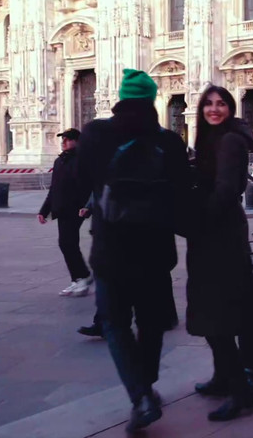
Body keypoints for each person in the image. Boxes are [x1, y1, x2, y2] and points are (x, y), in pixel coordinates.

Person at [76, 69, 189, 432]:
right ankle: (147, 387)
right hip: (155, 252)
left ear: (121, 98)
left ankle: (140, 396)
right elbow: (181, 194)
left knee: (114, 323)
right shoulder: (169, 142)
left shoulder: (95, 133)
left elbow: (82, 179)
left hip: (110, 251)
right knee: (152, 323)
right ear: (153, 99)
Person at [186, 85, 253, 422]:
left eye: (221, 104)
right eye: (208, 104)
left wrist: (197, 221)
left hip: (220, 235)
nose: (214, 110)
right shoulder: (213, 139)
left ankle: (241, 392)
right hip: (216, 232)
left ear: (230, 108)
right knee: (211, 310)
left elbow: (227, 189)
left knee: (219, 316)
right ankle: (221, 378)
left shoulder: (229, 141)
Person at [39, 128, 93, 297]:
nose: (64, 142)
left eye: (68, 139)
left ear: (77, 141)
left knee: (67, 242)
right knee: (66, 243)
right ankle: (77, 278)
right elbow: (54, 188)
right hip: (61, 208)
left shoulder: (83, 160)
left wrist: (87, 206)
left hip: (76, 208)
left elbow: (91, 186)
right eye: (63, 139)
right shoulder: (59, 161)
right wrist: (44, 210)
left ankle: (82, 277)